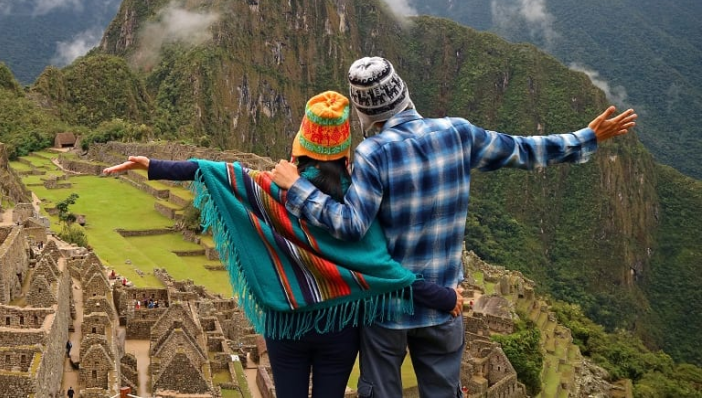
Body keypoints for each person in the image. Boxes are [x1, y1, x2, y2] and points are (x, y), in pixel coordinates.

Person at [271, 57, 637, 398]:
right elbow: (523, 150)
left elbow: (350, 225)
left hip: (387, 311)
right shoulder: (458, 133)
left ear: (364, 116)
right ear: (405, 94)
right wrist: (585, 138)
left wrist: (298, 188)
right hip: (444, 305)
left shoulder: (374, 153)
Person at [105, 91, 460, 398]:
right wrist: (444, 297)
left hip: (285, 324)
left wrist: (153, 165)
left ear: (300, 148)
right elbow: (385, 271)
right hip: (339, 326)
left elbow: (218, 172)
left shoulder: (269, 190)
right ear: (345, 155)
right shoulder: (357, 201)